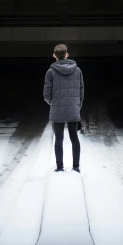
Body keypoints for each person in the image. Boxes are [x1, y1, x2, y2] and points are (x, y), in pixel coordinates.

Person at [43, 43, 84, 172]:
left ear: (54, 55)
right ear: (67, 55)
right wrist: (78, 105)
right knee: (74, 138)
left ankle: (60, 167)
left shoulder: (50, 72)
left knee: (59, 139)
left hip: (57, 110)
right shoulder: (77, 70)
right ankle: (76, 167)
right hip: (73, 109)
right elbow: (81, 90)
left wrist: (53, 103)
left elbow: (46, 93)